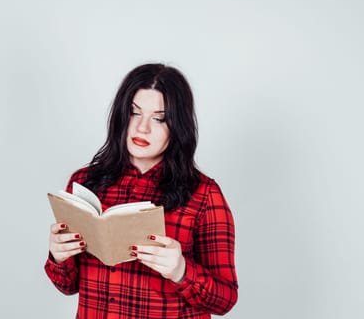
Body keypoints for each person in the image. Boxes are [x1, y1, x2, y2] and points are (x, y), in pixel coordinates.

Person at [45, 63, 238, 319]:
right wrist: (59, 257)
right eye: (135, 113)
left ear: (177, 126)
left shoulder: (204, 195)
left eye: (159, 118)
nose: (142, 128)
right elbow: (67, 286)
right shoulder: (85, 183)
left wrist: (180, 271)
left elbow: (225, 300)